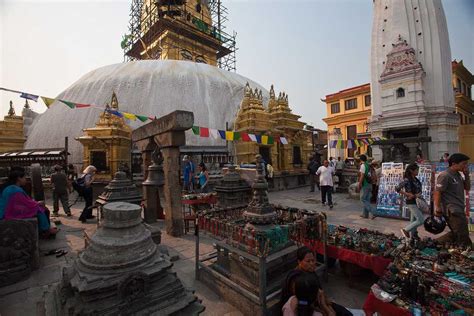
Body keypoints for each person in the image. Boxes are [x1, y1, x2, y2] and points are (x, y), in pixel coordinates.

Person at [280, 247, 351, 316]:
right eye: (308, 261)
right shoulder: (296, 279)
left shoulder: (309, 272)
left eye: (313, 260)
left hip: (315, 302)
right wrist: (326, 309)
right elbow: (304, 302)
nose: (311, 263)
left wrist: (326, 303)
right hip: (303, 307)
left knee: (345, 313)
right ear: (299, 262)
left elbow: (319, 292)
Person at [0, 167, 57, 237]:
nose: (25, 180)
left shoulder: (11, 188)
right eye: (24, 178)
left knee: (39, 207)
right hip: (8, 211)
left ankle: (44, 229)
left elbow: (24, 202)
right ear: (19, 178)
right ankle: (45, 230)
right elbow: (27, 203)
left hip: (8, 209)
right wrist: (38, 203)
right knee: (38, 209)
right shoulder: (16, 190)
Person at [434, 153, 472, 247]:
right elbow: (438, 192)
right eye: (463, 163)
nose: (465, 166)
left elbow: (467, 187)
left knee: (457, 233)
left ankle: (435, 243)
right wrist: (437, 207)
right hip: (452, 209)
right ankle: (466, 249)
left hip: (459, 207)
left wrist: (466, 175)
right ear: (454, 164)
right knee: (462, 234)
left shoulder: (458, 175)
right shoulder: (445, 175)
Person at [396, 163, 424, 239]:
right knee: (421, 220)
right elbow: (397, 188)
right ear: (411, 171)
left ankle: (413, 236)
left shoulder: (416, 179)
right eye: (417, 170)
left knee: (413, 220)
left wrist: (419, 194)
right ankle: (406, 230)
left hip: (417, 201)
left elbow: (419, 189)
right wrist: (407, 194)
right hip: (411, 202)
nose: (418, 172)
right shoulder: (407, 180)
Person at [358, 155, 376, 219]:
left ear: (360, 159)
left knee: (363, 199)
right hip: (370, 184)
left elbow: (362, 176)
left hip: (365, 184)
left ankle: (373, 212)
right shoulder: (369, 165)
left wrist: (359, 184)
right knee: (367, 200)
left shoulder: (363, 166)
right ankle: (365, 214)